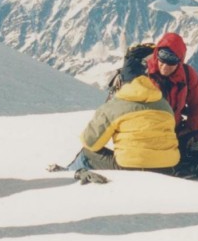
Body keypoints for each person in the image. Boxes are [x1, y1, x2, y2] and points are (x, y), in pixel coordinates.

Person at [51, 49, 179, 179]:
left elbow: (90, 141)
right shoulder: (164, 105)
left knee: (87, 153)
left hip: (131, 167)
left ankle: (66, 175)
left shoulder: (116, 105)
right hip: (168, 168)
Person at [146, 32, 198, 136]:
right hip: (147, 133)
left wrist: (190, 127)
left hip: (175, 129)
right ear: (157, 54)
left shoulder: (188, 75)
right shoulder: (143, 74)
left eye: (171, 60)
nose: (165, 66)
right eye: (162, 57)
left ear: (179, 61)